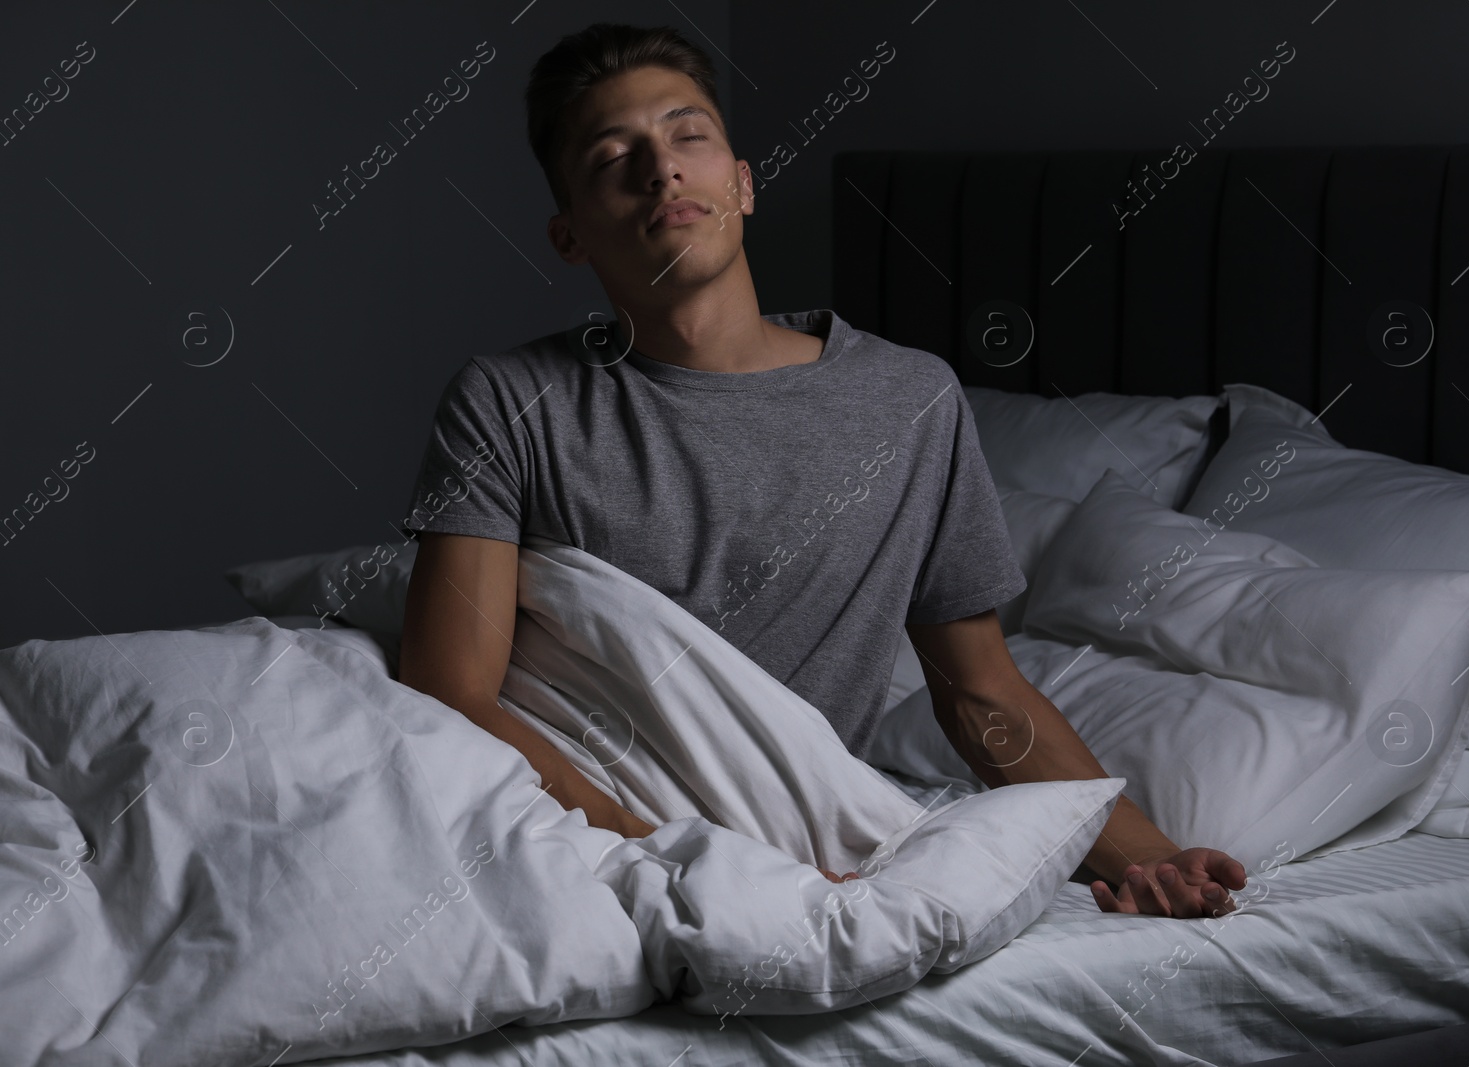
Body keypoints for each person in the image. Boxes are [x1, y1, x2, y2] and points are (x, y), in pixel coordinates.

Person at [396, 22, 1246, 919]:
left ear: (743, 182)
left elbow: (981, 690)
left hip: (768, 824)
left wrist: (1145, 855)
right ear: (569, 233)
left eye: (690, 137)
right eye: (616, 158)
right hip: (577, 830)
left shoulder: (907, 401)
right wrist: (677, 861)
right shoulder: (508, 400)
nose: (663, 171)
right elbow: (450, 700)